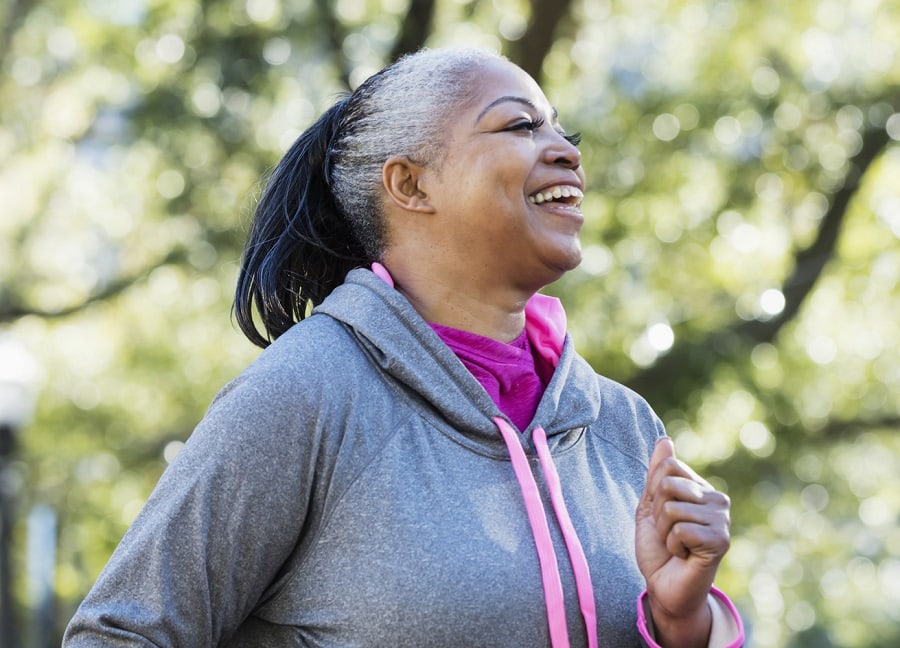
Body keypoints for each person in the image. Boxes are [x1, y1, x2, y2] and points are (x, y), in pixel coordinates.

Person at [63, 47, 744, 647]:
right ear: (410, 184)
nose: (567, 150)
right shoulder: (306, 395)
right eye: (519, 125)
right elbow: (120, 633)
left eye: (563, 130)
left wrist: (680, 625)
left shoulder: (621, 427)